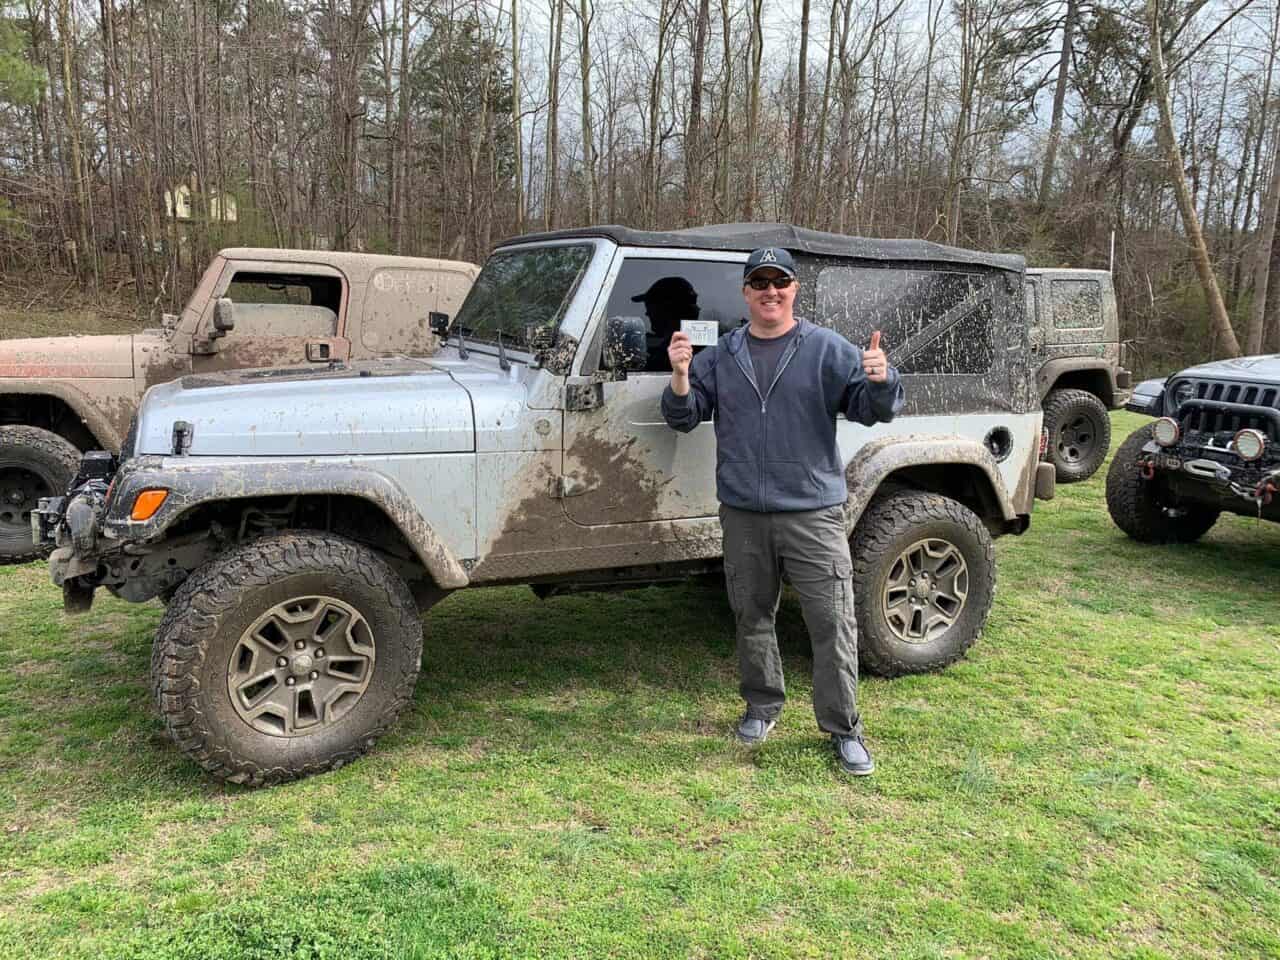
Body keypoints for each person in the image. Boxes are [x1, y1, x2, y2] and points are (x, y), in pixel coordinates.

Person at [661, 246, 903, 776]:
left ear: (794, 290)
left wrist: (882, 379)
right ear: (746, 292)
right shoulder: (722, 356)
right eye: (760, 282)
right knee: (752, 614)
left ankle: (844, 728)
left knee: (831, 620)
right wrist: (680, 374)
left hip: (813, 513)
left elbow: (870, 409)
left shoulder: (826, 349)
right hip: (744, 512)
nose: (771, 291)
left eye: (781, 283)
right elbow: (684, 416)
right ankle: (761, 706)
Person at [630, 276, 701, 372]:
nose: (647, 313)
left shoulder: (674, 353)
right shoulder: (702, 349)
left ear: (666, 308)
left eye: (650, 306)